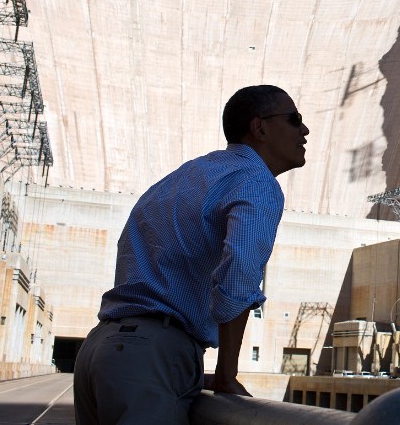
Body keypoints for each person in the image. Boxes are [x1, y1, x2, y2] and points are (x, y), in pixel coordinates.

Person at [73, 85, 309, 424]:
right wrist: (226, 375)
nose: (304, 130)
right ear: (260, 128)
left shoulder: (189, 174)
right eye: (294, 119)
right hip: (152, 355)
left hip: (101, 348)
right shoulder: (257, 182)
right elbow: (239, 273)